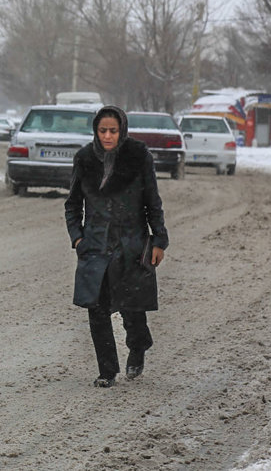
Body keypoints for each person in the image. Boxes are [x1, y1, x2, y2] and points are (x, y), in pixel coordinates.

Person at [64, 105, 169, 388]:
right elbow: (73, 204)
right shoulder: (85, 159)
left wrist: (159, 239)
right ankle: (107, 371)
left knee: (131, 306)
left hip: (131, 243)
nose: (108, 136)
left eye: (113, 130)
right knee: (96, 309)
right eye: (102, 130)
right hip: (95, 246)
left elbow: (152, 201)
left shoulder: (138, 157)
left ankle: (138, 345)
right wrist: (78, 238)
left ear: (122, 130)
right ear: (95, 131)